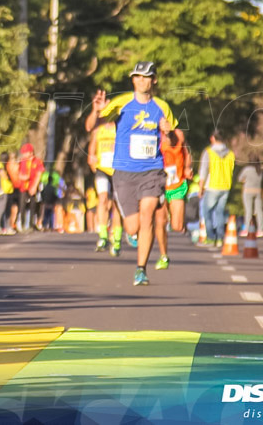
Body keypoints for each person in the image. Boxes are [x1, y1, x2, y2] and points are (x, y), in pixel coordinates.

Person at [84, 61, 178, 286]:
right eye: (137, 76)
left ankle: (141, 269)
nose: (141, 81)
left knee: (148, 214)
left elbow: (173, 140)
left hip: (151, 171)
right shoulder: (121, 103)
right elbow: (91, 126)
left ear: (154, 80)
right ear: (133, 79)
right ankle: (132, 236)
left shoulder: (162, 107)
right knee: (132, 227)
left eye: (146, 77)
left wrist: (169, 132)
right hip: (124, 173)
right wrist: (96, 111)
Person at [87, 122, 123, 256]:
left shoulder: (120, 127)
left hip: (118, 170)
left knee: (116, 204)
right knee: (102, 199)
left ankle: (117, 238)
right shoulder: (98, 129)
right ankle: (103, 236)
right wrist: (92, 161)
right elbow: (91, 151)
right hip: (102, 169)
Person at [197, 130, 235, 248]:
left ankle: (210, 237)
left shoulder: (208, 152)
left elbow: (203, 171)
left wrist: (201, 187)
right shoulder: (230, 154)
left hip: (212, 185)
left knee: (206, 212)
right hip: (226, 185)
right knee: (220, 213)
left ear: (212, 138)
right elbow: (232, 169)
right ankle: (220, 238)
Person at [12, 143, 44, 232]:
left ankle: (31, 225)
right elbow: (17, 172)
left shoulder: (37, 161)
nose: (24, 154)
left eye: (25, 153)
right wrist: (21, 176)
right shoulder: (22, 161)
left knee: (33, 205)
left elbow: (39, 174)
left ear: (30, 152)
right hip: (23, 187)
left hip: (32, 187)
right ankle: (21, 224)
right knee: (21, 205)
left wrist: (34, 186)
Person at [238, 159, 263, 235]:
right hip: (258, 191)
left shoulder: (247, 169)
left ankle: (247, 229)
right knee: (259, 211)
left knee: (248, 211)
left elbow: (240, 179)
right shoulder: (260, 170)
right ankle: (260, 230)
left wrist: (245, 180)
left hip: (248, 191)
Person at [0, 152, 15, 234]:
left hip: (8, 190)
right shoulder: (0, 165)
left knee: (8, 210)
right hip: (2, 191)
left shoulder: (0, 165)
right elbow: (3, 175)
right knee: (1, 209)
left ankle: (7, 227)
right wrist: (10, 176)